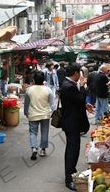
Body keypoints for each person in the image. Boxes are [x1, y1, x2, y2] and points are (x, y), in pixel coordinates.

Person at [60, 63, 94, 191]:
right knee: (72, 151)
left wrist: (85, 105)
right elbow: (80, 99)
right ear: (75, 73)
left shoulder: (67, 84)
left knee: (72, 149)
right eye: (79, 72)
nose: (80, 75)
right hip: (72, 123)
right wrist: (82, 87)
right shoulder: (70, 86)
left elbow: (76, 102)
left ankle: (71, 172)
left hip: (71, 122)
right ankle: (69, 179)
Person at [24, 71, 56, 160]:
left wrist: (26, 113)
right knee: (44, 132)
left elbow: (26, 103)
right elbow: (53, 104)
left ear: (34, 79)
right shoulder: (48, 90)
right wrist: (54, 112)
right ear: (43, 80)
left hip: (33, 114)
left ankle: (34, 148)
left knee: (33, 132)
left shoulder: (29, 90)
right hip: (45, 114)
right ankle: (43, 150)